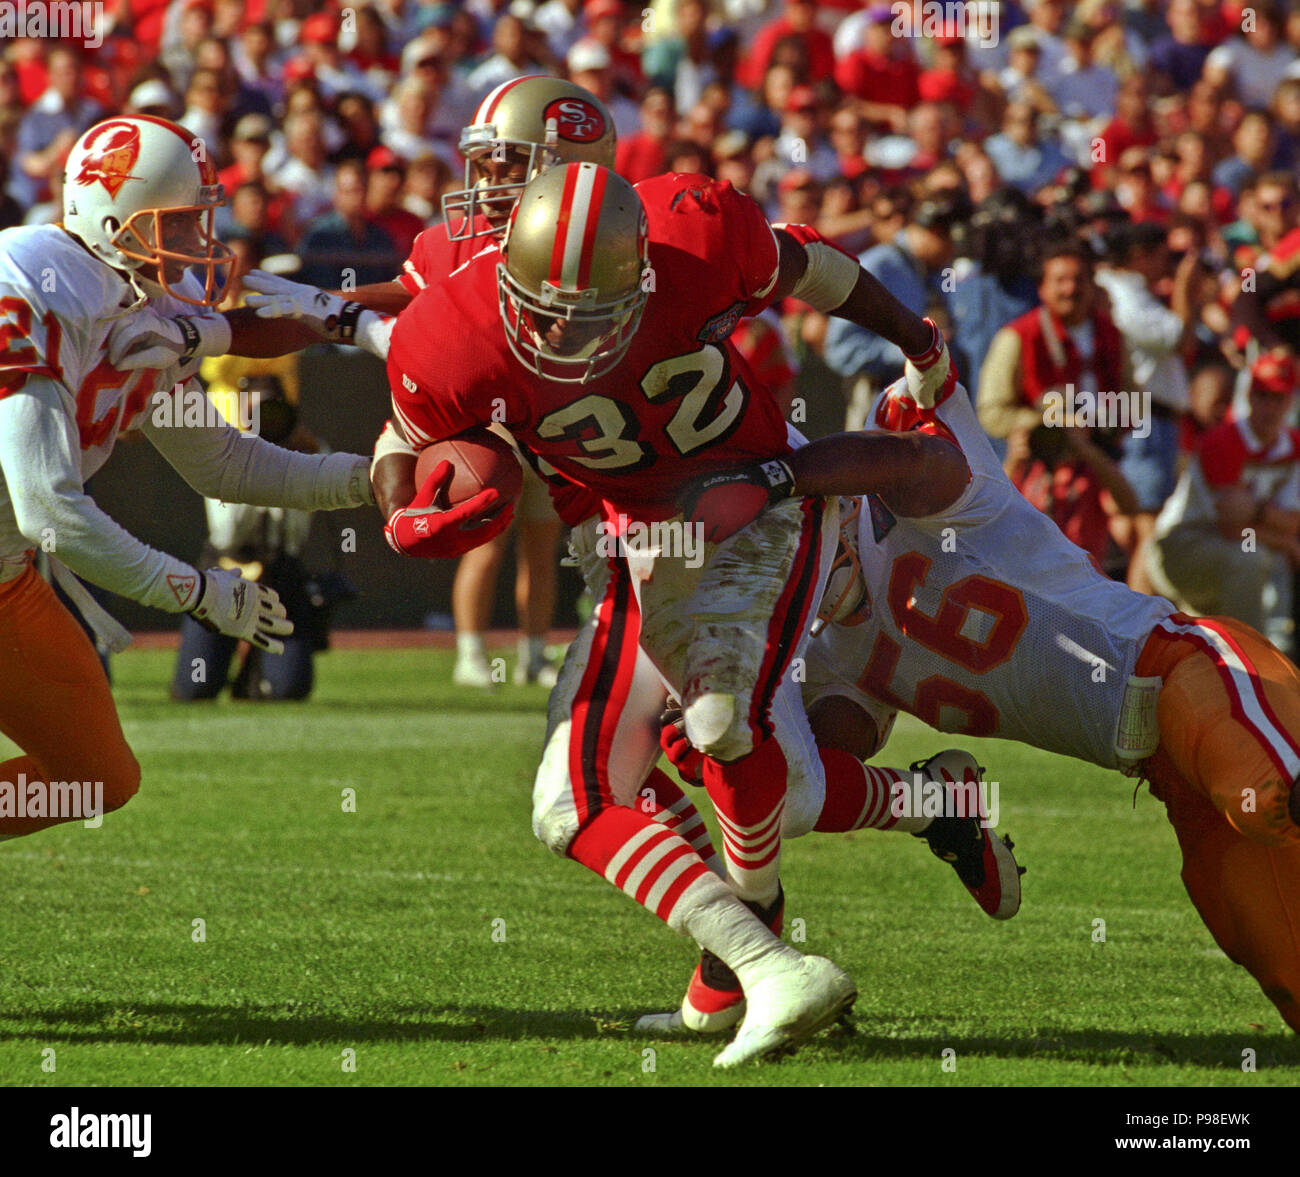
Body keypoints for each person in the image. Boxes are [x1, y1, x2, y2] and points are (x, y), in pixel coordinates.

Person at [365, 162, 956, 1067]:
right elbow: (407, 443)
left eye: (590, 312)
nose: (564, 332)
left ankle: (760, 961)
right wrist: (406, 512)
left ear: (640, 272)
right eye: (543, 308)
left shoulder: (695, 237)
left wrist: (915, 337)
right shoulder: (446, 330)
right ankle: (763, 963)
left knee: (725, 731)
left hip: (763, 502)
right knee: (589, 797)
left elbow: (810, 268)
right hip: (635, 538)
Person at [656, 372, 1300, 1037]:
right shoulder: (829, 654)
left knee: (1266, 789)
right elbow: (801, 782)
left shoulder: (924, 503)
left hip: (1192, 669)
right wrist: (728, 742)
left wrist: (782, 476)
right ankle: (944, 802)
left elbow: (907, 455)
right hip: (1163, 772)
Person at [0, 116, 375, 840]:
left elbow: (225, 462)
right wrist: (198, 591)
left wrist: (369, 480)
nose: (199, 244)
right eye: (175, 221)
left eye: (199, 220)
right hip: (21, 551)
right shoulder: (30, 278)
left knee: (92, 778)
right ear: (110, 217)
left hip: (5, 572)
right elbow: (52, 508)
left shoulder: (150, 313)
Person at [1148, 350, 1300, 657]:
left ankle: (1281, 655)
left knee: (1265, 555)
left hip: (1229, 550)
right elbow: (1232, 528)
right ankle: (1251, 662)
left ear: (1291, 401)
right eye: (1262, 396)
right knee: (1250, 555)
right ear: (1249, 396)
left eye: (1278, 398)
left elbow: (1293, 520)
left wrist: (1260, 517)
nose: (1270, 407)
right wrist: (1284, 538)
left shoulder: (1292, 444)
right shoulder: (1224, 440)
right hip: (1182, 547)